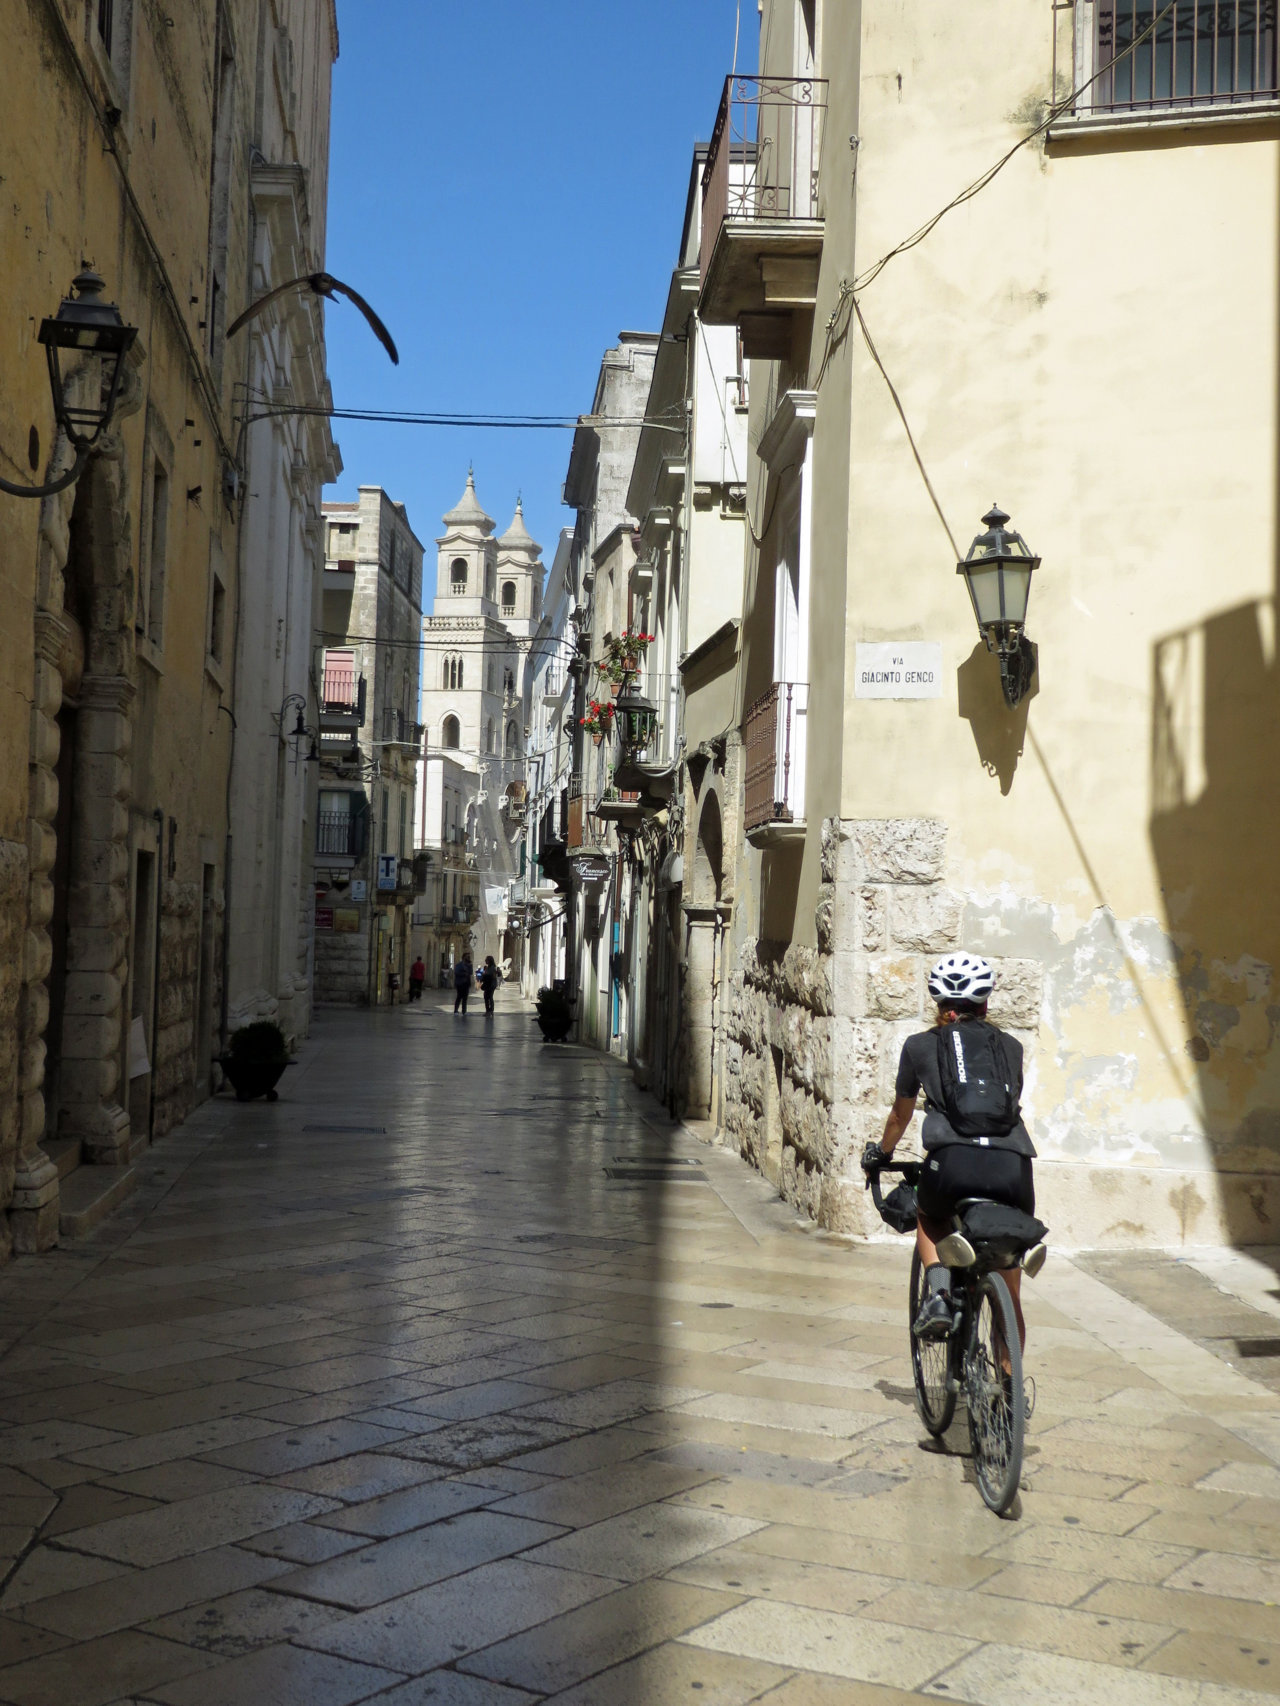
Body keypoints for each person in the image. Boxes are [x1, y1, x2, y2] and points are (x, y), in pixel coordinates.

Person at [863, 953, 1036, 1348]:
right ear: (986, 1003)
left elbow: (899, 1115)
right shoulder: (1010, 1047)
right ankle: (1009, 1395)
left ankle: (939, 1294)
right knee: (1009, 1284)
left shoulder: (920, 1046)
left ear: (938, 1004)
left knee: (929, 1215)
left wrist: (882, 1154)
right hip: (1013, 1168)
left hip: (954, 1164)